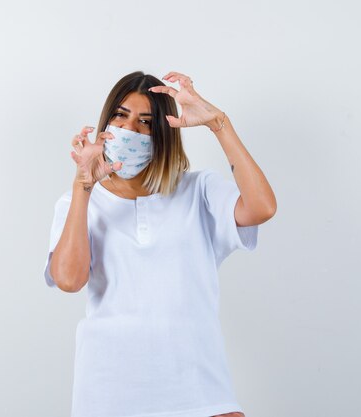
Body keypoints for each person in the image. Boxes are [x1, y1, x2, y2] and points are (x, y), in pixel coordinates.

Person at [43, 70, 277, 417]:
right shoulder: (77, 202)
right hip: (110, 390)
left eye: (146, 122)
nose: (129, 130)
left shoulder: (197, 191)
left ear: (164, 134)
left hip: (199, 388)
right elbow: (68, 279)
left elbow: (262, 207)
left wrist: (219, 123)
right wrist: (83, 187)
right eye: (121, 116)